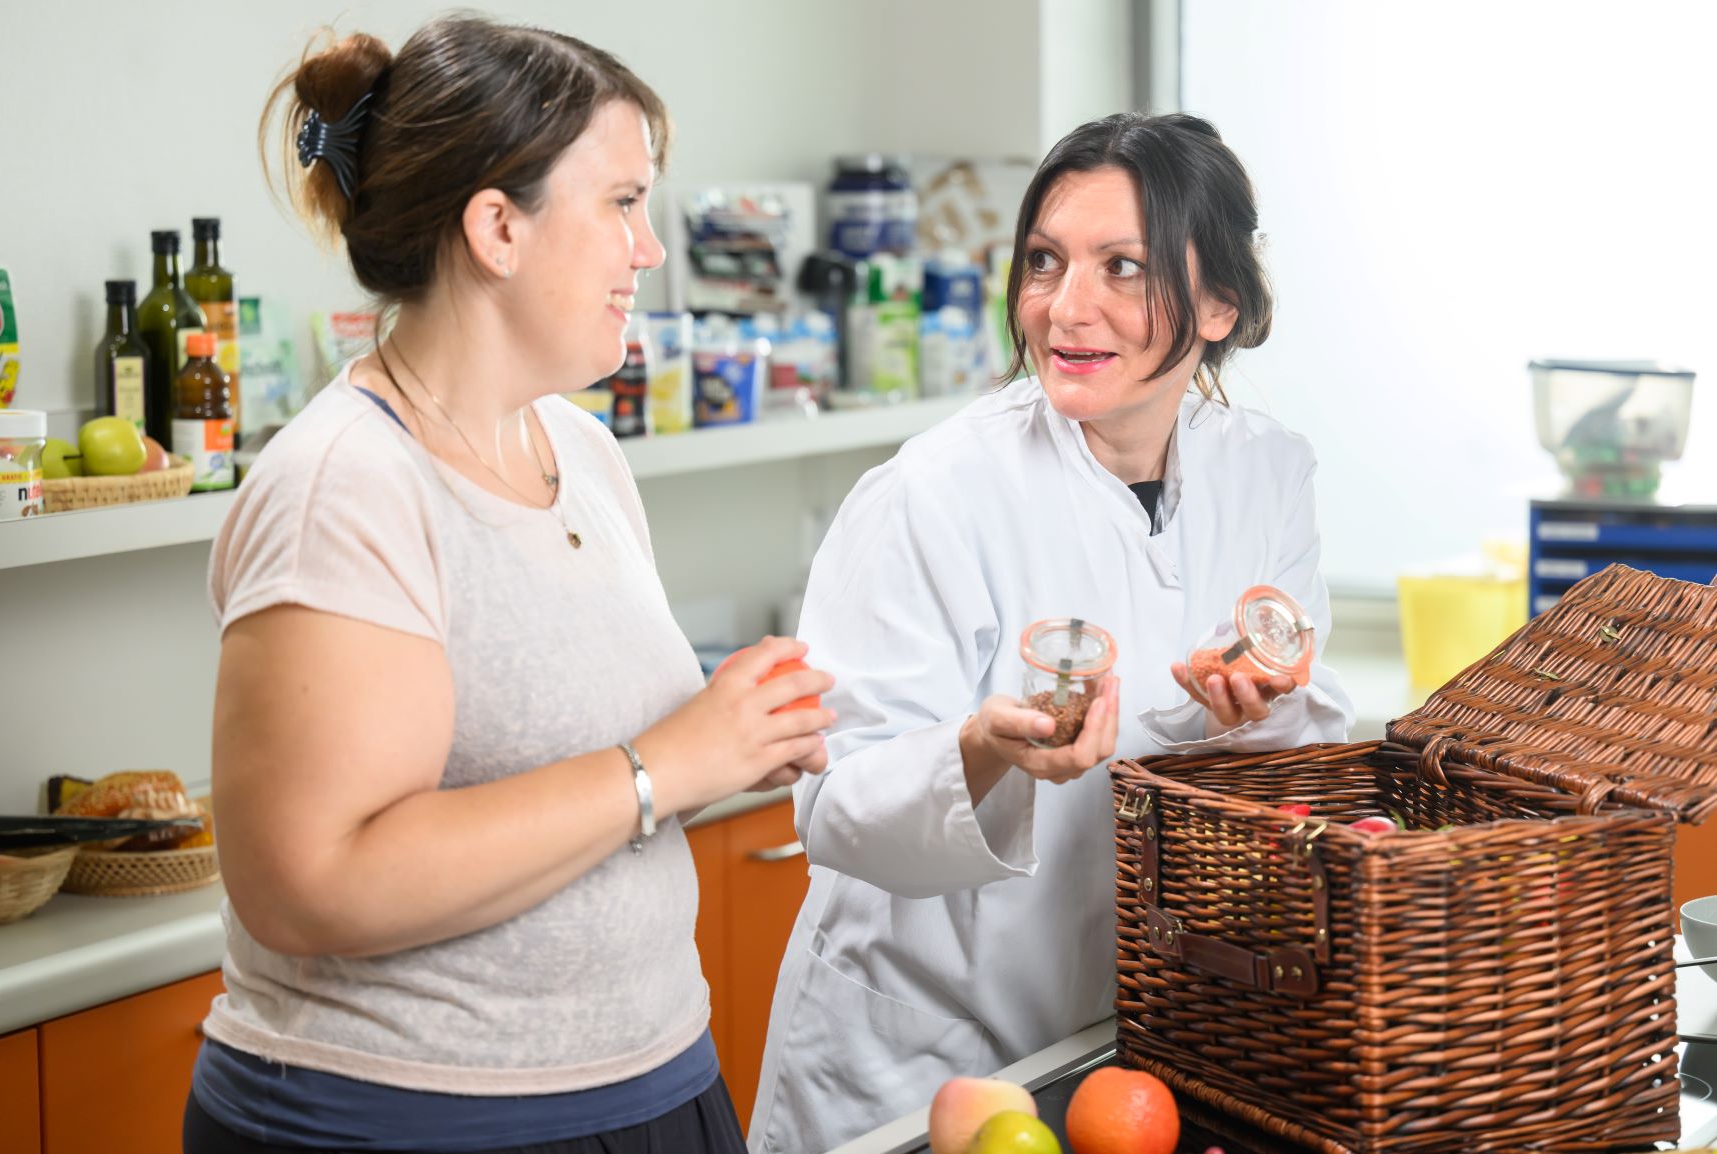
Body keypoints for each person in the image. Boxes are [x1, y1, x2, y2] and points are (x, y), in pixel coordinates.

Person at [185, 16, 834, 1154]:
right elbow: (310, 881)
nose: (651, 250)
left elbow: (575, 778)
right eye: (623, 203)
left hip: (652, 1080)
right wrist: (664, 764)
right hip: (402, 1121)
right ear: (497, 227)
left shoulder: (578, 452)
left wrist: (726, 736)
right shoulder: (346, 484)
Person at [746, 112, 1356, 1153]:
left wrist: (1245, 703)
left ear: (1217, 303)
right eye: (1044, 261)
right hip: (920, 1058)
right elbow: (835, 804)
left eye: (1122, 267)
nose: (1065, 308)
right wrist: (984, 750)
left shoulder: (1268, 472)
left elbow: (1288, 730)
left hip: (1131, 1044)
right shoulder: (933, 492)